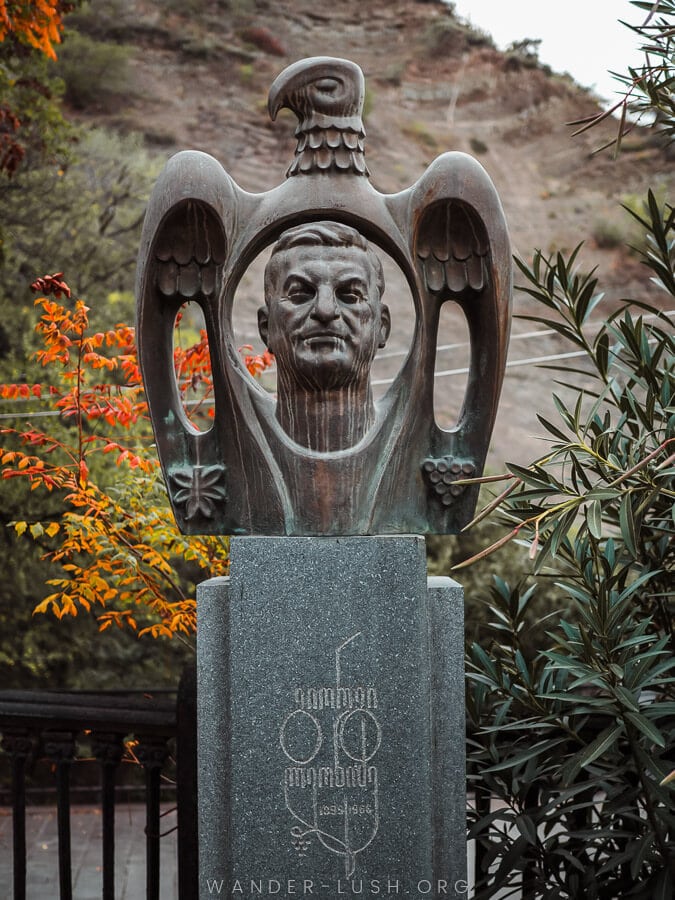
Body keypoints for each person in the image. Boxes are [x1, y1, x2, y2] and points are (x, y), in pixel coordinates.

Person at [258, 221, 391, 453]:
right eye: (300, 294)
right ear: (265, 326)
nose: (325, 310)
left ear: (382, 326)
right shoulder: (216, 458)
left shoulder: (429, 455)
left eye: (350, 295)